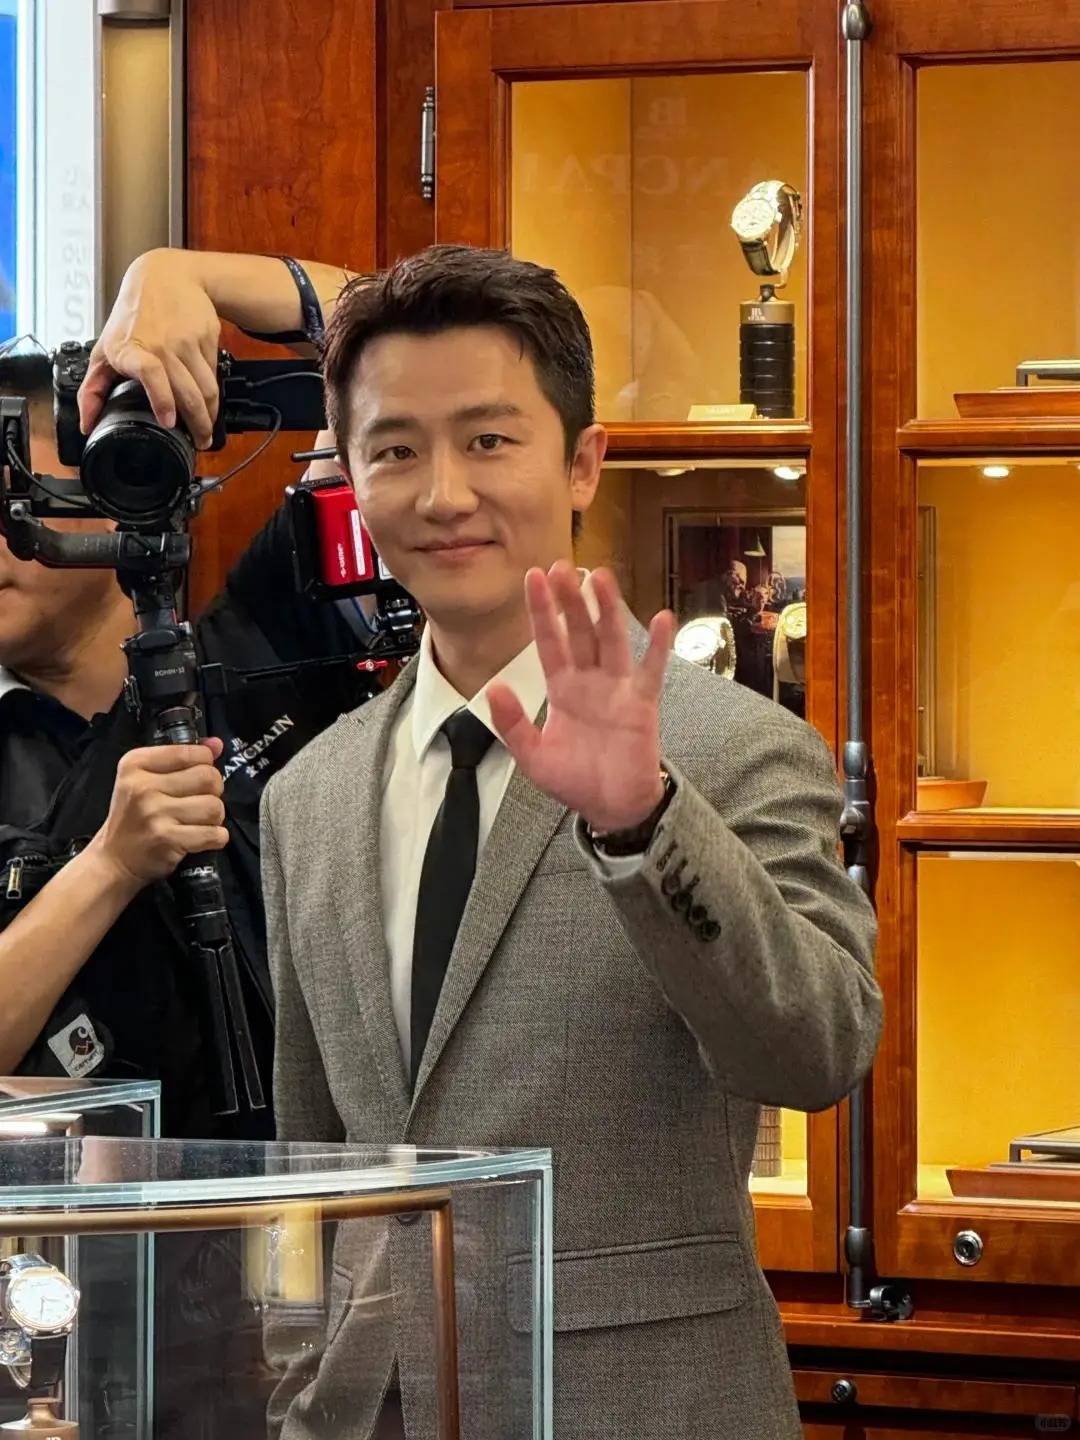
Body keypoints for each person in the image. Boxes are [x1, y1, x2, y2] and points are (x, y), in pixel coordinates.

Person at [87, 244, 882, 1440]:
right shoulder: (310, 795)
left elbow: (817, 1051)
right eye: (395, 450)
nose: (444, 494)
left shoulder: (732, 748)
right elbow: (315, 1161)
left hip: (639, 1408)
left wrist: (643, 818)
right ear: (351, 477)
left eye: (490, 440)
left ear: (583, 462)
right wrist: (299, 1377)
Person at [0, 319, 378, 1141]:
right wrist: (110, 863)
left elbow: (394, 348)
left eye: (14, 485)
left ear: (118, 467)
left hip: (354, 1170)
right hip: (124, 1206)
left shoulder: (259, 634)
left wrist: (182, 284)